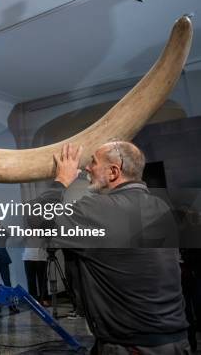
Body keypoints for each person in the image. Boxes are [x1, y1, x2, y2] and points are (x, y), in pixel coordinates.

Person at [34, 142, 189, 354]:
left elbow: (37, 219)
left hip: (132, 346)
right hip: (174, 340)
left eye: (94, 163)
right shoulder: (160, 206)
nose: (87, 168)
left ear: (114, 171)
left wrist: (62, 179)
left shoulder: (99, 210)